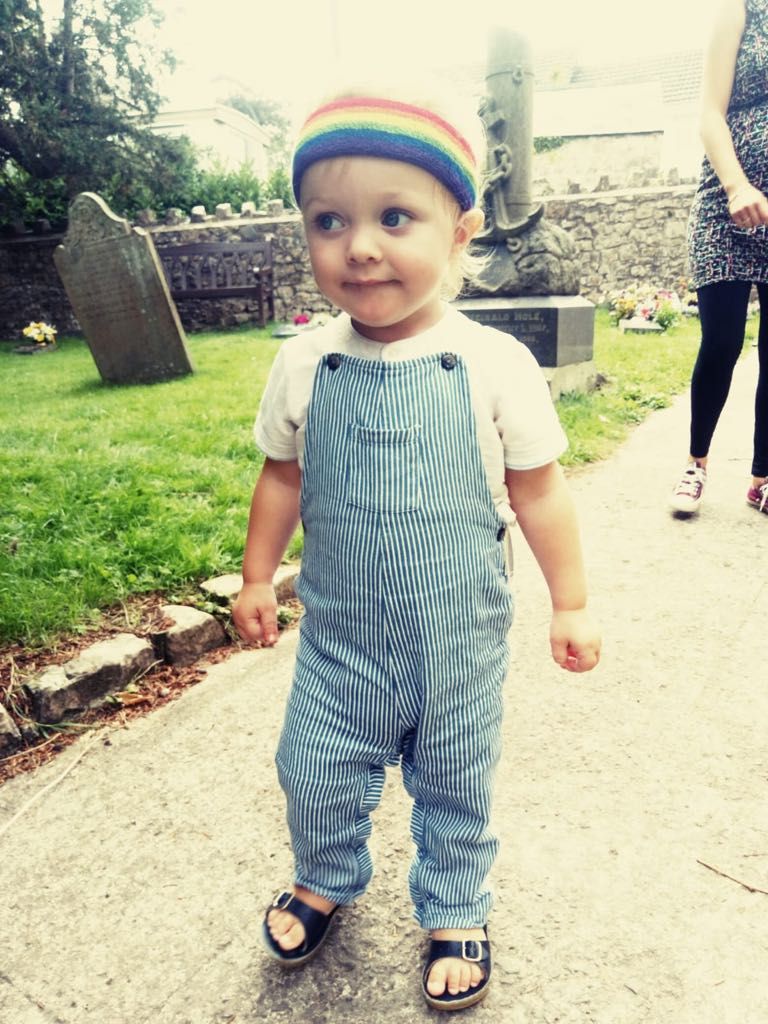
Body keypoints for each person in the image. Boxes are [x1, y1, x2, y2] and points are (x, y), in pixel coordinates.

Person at [232, 83, 601, 1012]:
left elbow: (540, 489)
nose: (359, 245)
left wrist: (572, 599)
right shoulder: (304, 361)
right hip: (339, 642)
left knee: (454, 783)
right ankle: (325, 873)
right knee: (311, 768)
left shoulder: (493, 363)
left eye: (395, 217)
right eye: (329, 220)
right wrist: (256, 578)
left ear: (462, 231)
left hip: (456, 645)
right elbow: (282, 475)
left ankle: (454, 906)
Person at [670, 0, 768, 516]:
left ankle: (762, 478)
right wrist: (737, 186)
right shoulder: (741, 9)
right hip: (727, 202)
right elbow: (710, 113)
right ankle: (695, 463)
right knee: (723, 340)